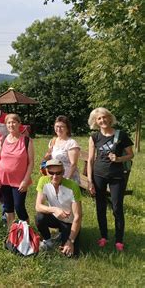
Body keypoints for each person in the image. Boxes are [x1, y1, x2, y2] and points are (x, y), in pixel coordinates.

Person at [87, 107, 134, 251]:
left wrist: (118, 158)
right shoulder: (94, 137)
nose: (102, 120)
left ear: (110, 118)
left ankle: (119, 240)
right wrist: (90, 181)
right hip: (98, 175)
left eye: (104, 117)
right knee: (100, 207)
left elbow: (130, 155)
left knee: (117, 207)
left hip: (117, 176)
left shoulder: (121, 135)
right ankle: (104, 237)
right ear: (96, 121)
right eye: (99, 118)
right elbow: (90, 159)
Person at [0, 113, 34, 228]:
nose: (11, 125)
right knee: (8, 208)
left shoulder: (27, 141)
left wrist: (25, 181)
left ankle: (26, 232)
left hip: (20, 181)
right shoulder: (2, 139)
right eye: (9, 122)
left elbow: (31, 163)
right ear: (6, 125)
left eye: (14, 122)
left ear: (19, 124)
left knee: (19, 206)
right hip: (4, 179)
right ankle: (11, 233)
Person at [35, 159, 82, 257]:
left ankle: (65, 235)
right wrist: (54, 209)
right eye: (51, 173)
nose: (55, 176)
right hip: (54, 217)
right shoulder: (43, 181)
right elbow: (38, 206)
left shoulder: (73, 186)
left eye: (58, 173)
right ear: (46, 172)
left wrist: (70, 241)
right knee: (39, 217)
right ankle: (48, 241)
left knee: (71, 255)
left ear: (63, 172)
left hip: (69, 222)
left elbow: (78, 216)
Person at [43, 115, 80, 183]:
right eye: (57, 126)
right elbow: (48, 158)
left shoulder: (71, 143)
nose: (59, 129)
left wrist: (67, 179)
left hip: (68, 179)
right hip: (55, 176)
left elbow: (73, 164)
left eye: (62, 127)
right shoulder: (53, 141)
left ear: (67, 129)